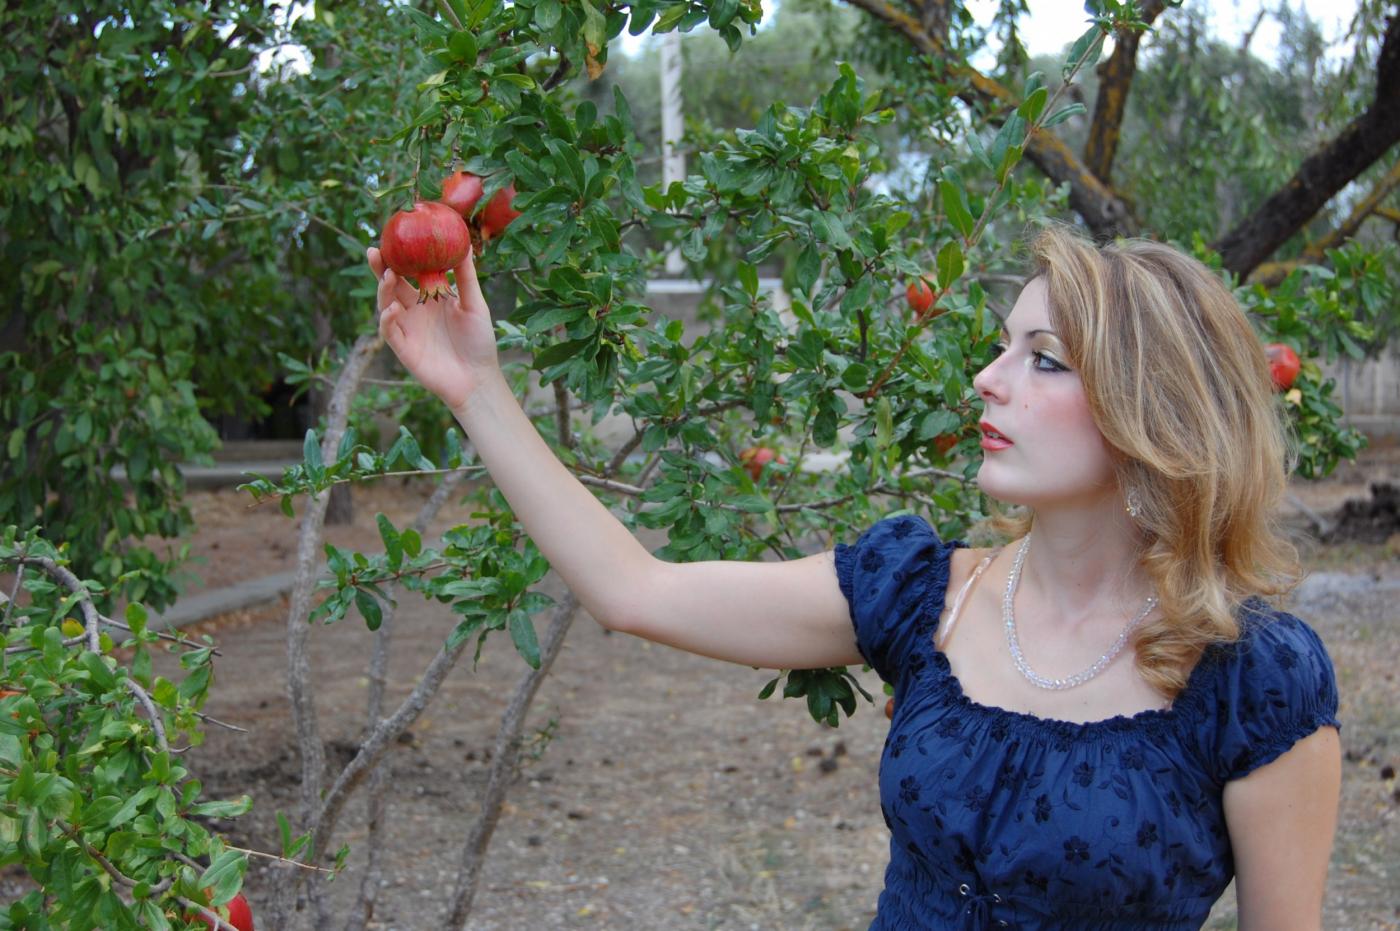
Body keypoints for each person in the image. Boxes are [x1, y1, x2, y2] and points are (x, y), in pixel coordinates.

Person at [367, 224, 1341, 930]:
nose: (986, 380)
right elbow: (634, 591)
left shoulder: (1252, 677)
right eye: (1000, 346)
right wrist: (476, 388)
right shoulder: (921, 593)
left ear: (1149, 410)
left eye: (1041, 359)